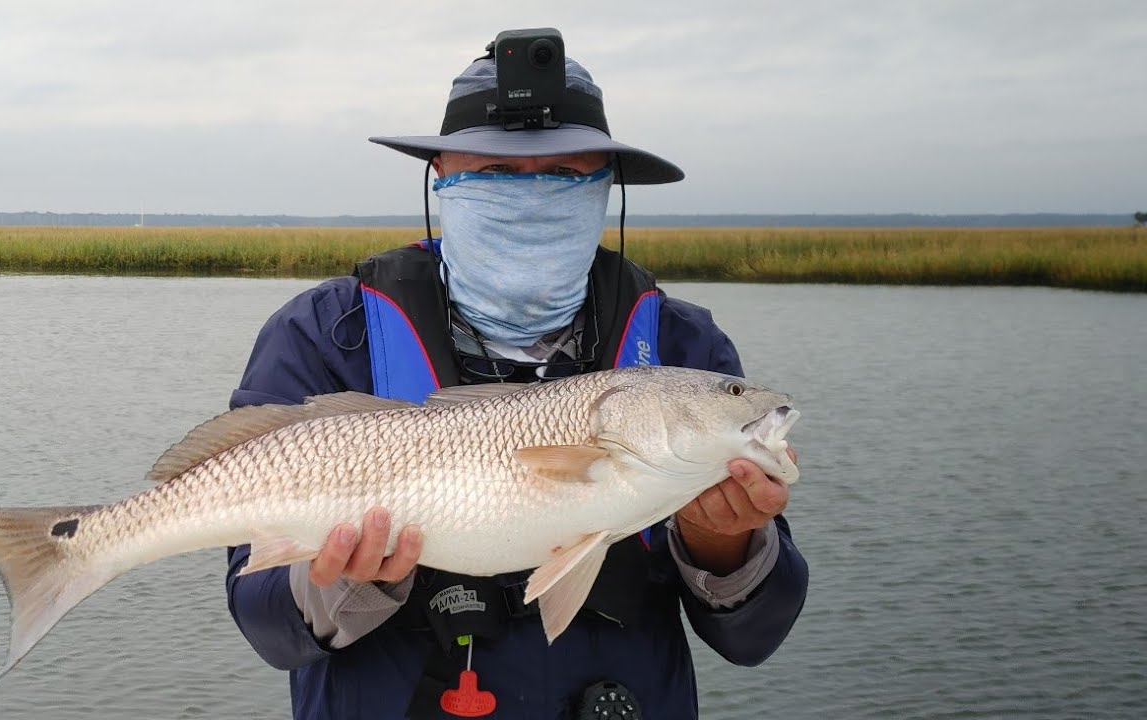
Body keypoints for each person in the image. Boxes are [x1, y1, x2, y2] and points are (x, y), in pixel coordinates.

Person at [226, 30, 808, 720]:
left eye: (564, 175)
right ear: (440, 176)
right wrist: (344, 584)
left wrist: (723, 543)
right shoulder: (324, 334)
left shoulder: (683, 347)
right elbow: (265, 623)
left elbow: (754, 637)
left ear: (605, 188)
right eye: (496, 174)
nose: (531, 196)